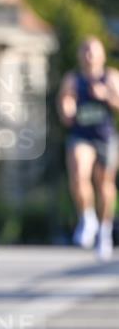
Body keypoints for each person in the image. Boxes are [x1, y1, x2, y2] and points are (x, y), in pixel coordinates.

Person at [58, 37, 119, 261]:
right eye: (85, 51)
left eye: (93, 51)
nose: (89, 56)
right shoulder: (73, 79)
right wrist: (67, 108)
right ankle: (87, 218)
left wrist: (107, 96)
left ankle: (104, 231)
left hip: (105, 136)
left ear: (102, 55)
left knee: (105, 184)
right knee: (78, 170)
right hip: (81, 135)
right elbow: (65, 104)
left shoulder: (111, 77)